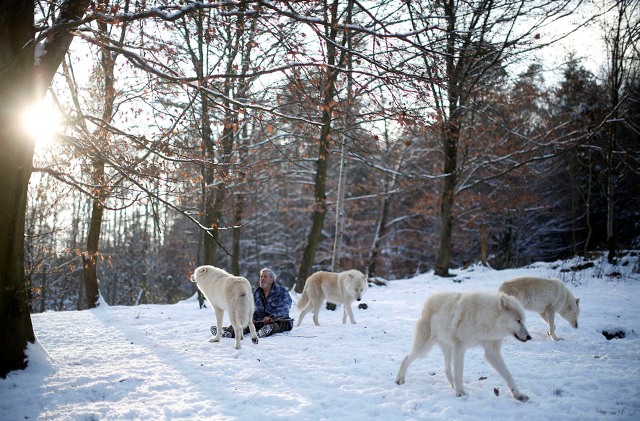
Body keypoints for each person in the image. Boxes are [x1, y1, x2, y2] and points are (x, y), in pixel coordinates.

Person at [210, 268, 293, 338]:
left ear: (272, 279)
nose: (262, 279)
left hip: (278, 320)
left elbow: (285, 308)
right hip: (259, 322)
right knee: (244, 323)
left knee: (275, 325)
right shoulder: (256, 293)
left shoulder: (282, 292)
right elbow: (249, 308)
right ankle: (226, 331)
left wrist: (271, 317)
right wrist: (250, 318)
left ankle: (266, 330)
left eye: (265, 277)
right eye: (261, 276)